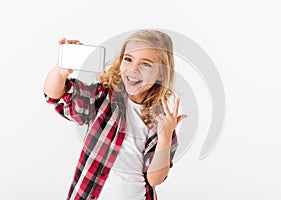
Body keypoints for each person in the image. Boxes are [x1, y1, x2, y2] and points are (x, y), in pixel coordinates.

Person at [43, 29, 187, 200]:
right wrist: (61, 70)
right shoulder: (103, 98)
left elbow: (154, 179)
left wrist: (165, 137)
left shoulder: (160, 120)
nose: (133, 68)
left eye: (145, 64)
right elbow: (55, 95)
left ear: (161, 74)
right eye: (128, 59)